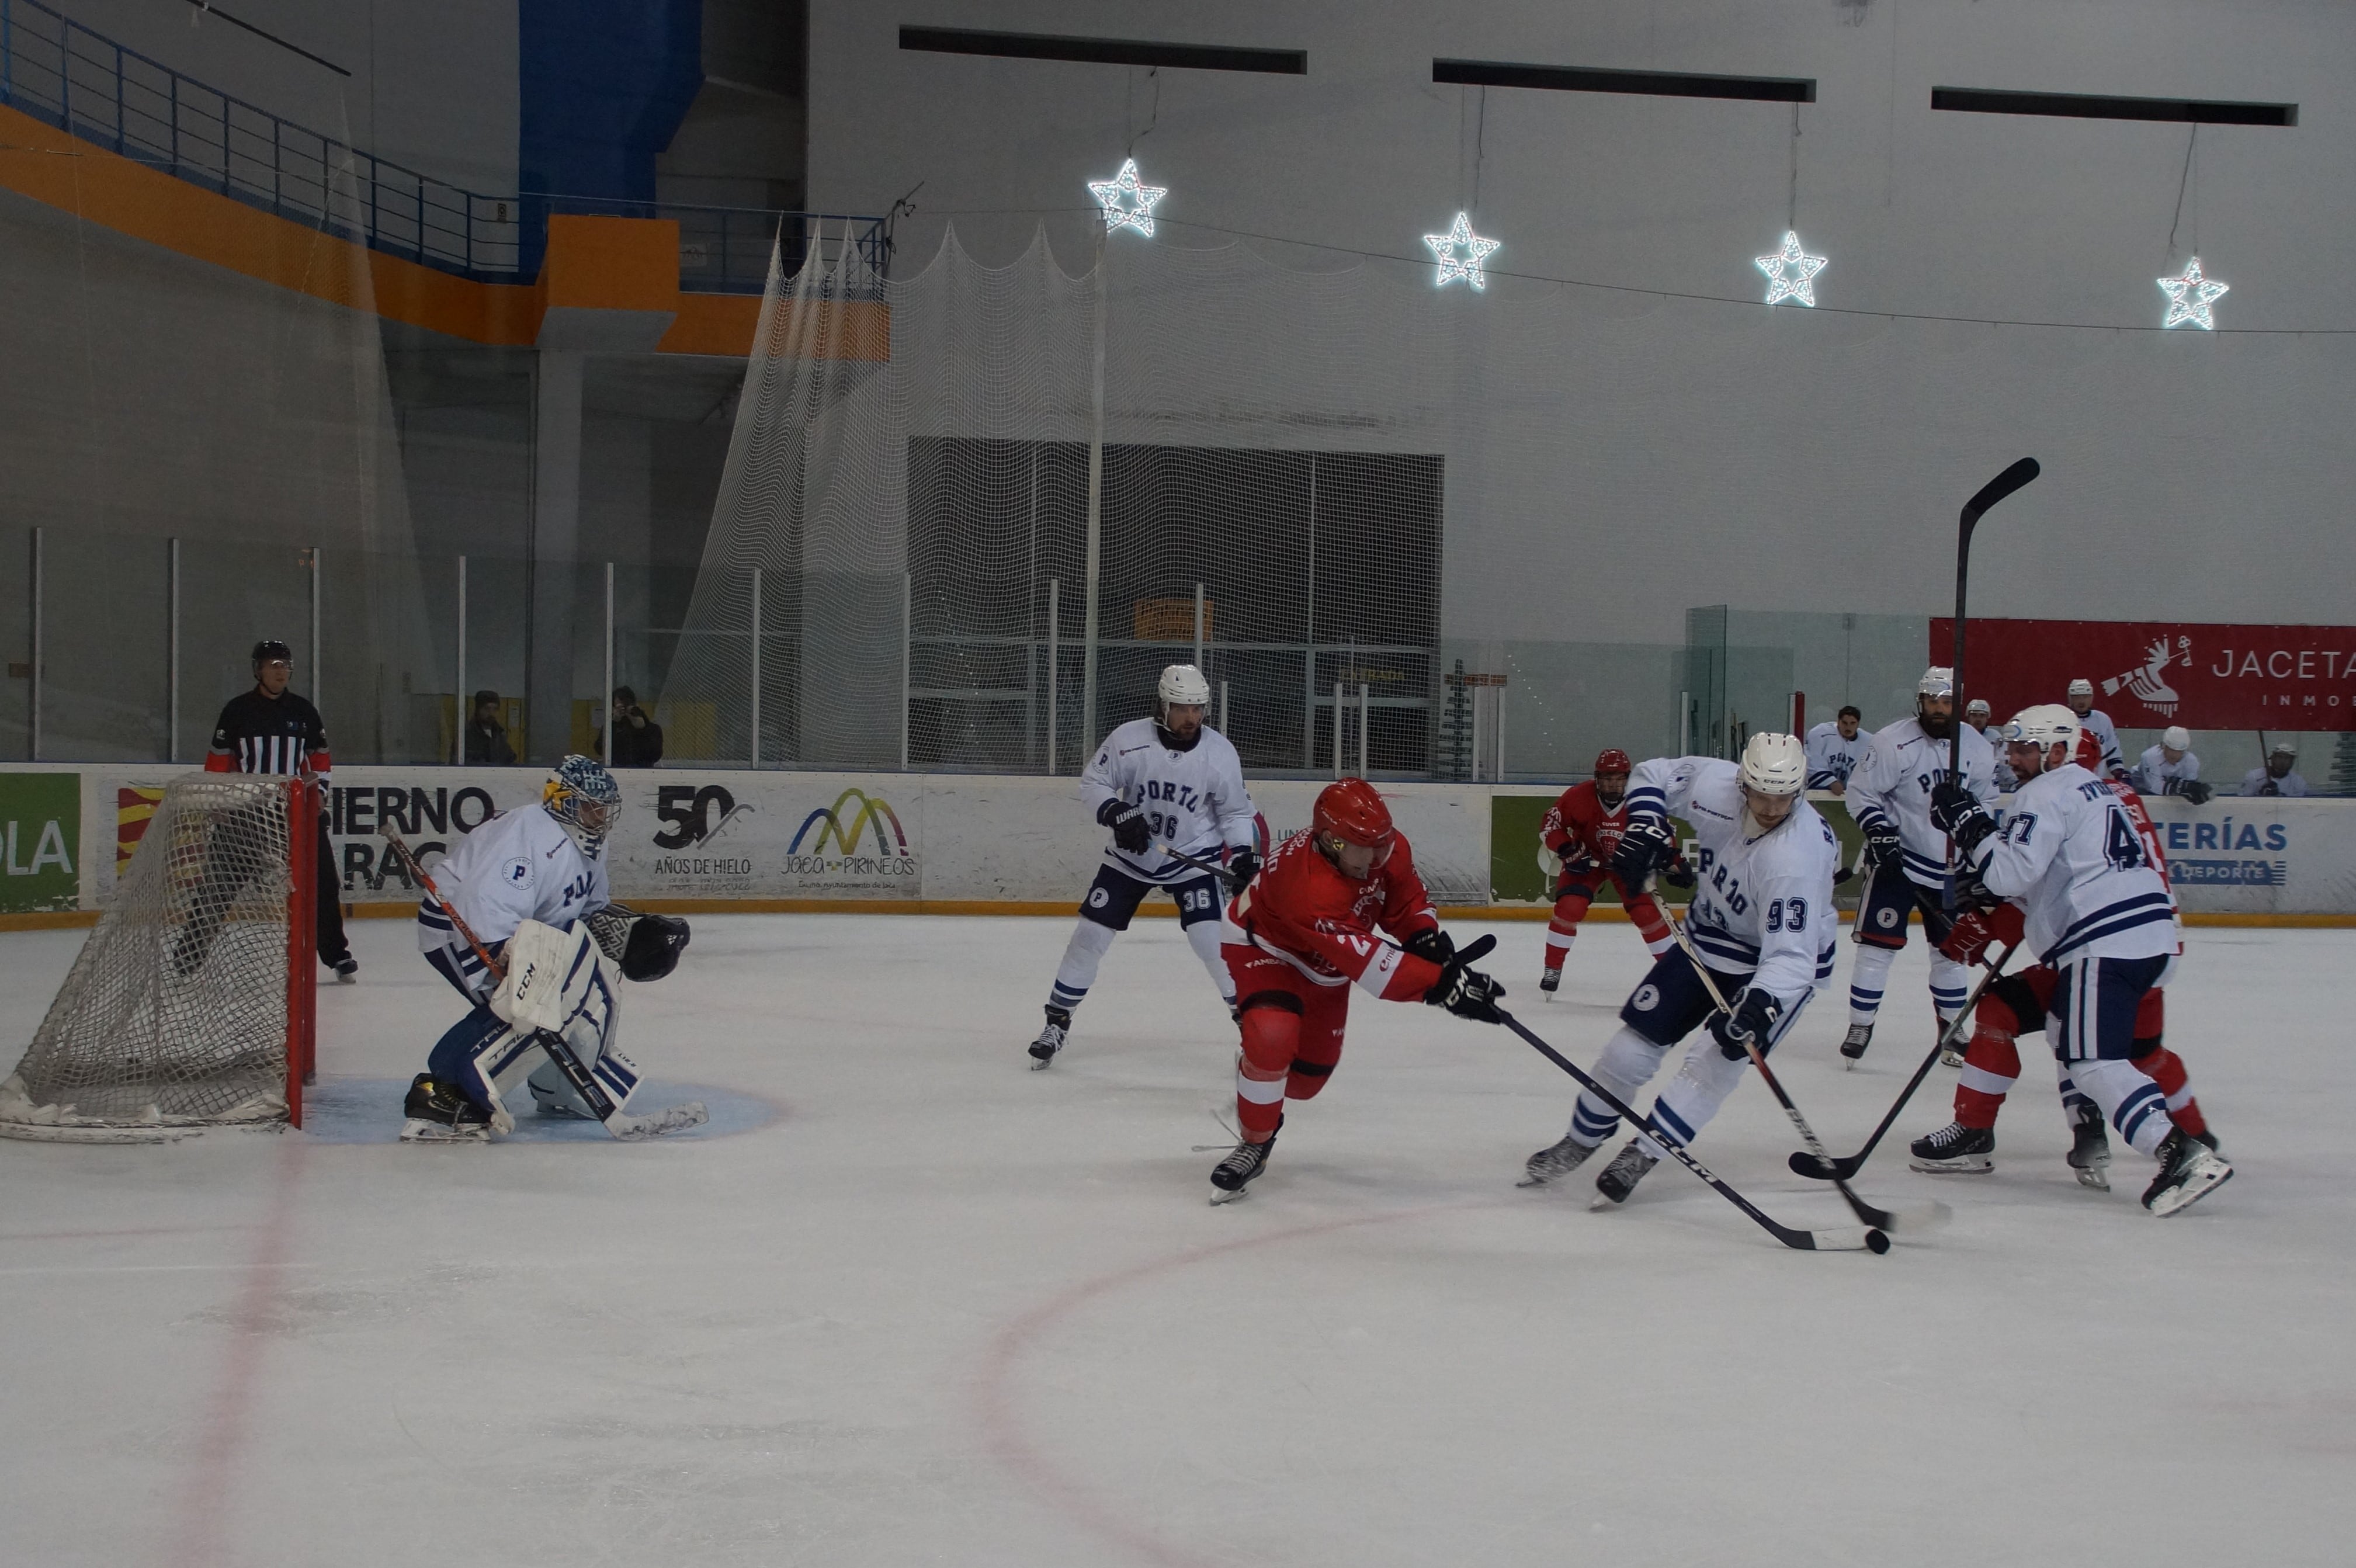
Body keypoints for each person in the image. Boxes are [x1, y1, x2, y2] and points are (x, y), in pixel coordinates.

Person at [1930, 706, 2232, 1215]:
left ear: (2057, 750)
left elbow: (2009, 874)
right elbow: (2048, 874)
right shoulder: (2098, 793)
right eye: (2011, 748)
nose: (2012, 758)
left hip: (2103, 943)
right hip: (2141, 939)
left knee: (2094, 1060)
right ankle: (2070, 1127)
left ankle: (2178, 1151)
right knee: (2054, 1027)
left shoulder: (2044, 793)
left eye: (2024, 749)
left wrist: (1968, 822)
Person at [1520, 733, 1838, 1203]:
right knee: (1627, 1053)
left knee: (1713, 1063)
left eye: (1783, 797)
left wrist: (1759, 1006)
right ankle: (1581, 1139)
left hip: (1775, 965)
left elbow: (1792, 955)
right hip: (1709, 937)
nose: (1771, 808)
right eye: (1761, 794)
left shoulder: (1795, 857)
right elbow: (1655, 774)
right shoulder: (1717, 787)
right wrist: (1646, 824)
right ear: (1742, 782)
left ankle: (1643, 1154)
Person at [1209, 778, 1504, 1199]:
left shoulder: (1382, 846)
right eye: (1366, 850)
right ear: (1330, 842)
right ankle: (1255, 1141)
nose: (1377, 859)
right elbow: (1373, 966)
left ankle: (1257, 1068)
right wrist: (1443, 987)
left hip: (1327, 961)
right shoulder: (1309, 889)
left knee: (1304, 1084)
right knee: (1272, 1035)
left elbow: (1404, 902)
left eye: (1383, 846)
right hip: (1266, 947)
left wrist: (1426, 939)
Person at [401, 755, 692, 1141]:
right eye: (591, 807)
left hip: (522, 931)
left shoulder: (589, 844)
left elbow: (588, 909)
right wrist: (506, 954)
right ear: (563, 801)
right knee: (517, 1009)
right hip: (462, 925)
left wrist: (627, 933)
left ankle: (559, 1089)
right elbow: (483, 902)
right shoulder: (531, 835)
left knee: (567, 993)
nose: (600, 816)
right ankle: (438, 1095)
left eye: (604, 808)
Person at [1028, 665, 1261, 1067]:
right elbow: (1093, 784)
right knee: (1088, 936)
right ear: (1162, 705)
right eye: (1182, 708)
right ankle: (1056, 1022)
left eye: (1198, 709)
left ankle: (1252, 1028)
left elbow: (1235, 811)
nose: (1191, 717)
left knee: (1212, 942)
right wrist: (1116, 810)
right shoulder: (1128, 740)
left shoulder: (1219, 752)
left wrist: (1241, 853)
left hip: (1194, 858)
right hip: (1129, 859)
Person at [1836, 667, 1996, 1065]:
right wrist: (1880, 831)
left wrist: (1976, 848)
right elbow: (1860, 793)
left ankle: (1951, 1025)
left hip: (1950, 869)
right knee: (1876, 949)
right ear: (1919, 702)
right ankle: (1861, 1023)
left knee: (1950, 955)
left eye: (1945, 702)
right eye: (1931, 702)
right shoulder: (1894, 741)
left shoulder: (1975, 748)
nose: (1938, 710)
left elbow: (1986, 802)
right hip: (1899, 862)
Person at [196, 638, 355, 981]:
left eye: (285, 665)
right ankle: (189, 956)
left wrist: (320, 796)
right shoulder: (237, 711)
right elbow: (219, 761)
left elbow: (320, 760)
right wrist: (219, 800)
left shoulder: (303, 711)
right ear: (258, 670)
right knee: (218, 886)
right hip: (246, 815)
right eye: (274, 665)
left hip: (297, 814)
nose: (281, 671)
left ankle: (337, 956)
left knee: (323, 885)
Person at [1535, 748, 1676, 997]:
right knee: (1570, 907)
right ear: (1597, 779)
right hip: (1586, 862)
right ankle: (1552, 968)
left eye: (1620, 779)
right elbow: (1550, 825)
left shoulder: (1642, 800)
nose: (1613, 785)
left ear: (1628, 778)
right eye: (1608, 779)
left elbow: (1662, 834)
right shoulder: (1578, 796)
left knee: (1647, 914)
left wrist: (1675, 861)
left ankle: (1672, 975)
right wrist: (1568, 849)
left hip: (1629, 866)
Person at [2064, 678, 2125, 777]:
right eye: (2077, 697)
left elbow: (2113, 748)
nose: (2081, 701)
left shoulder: (2103, 719)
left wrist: (2119, 772)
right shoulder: (2063, 718)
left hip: (2097, 778)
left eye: (2085, 697)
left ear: (2091, 698)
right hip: (2068, 778)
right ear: (2070, 698)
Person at [2131, 725, 2209, 802]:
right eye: (2171, 750)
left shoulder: (2192, 761)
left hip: (2167, 791)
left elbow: (2189, 786)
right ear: (2163, 746)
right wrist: (2183, 788)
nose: (2174, 755)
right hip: (2140, 789)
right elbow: (2154, 787)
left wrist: (2193, 791)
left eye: (2179, 751)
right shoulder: (2149, 757)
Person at [1804, 706, 1867, 794]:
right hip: (1818, 791)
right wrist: (1831, 782)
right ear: (1838, 721)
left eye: (1853, 723)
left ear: (1858, 723)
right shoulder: (1820, 734)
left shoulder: (1868, 741)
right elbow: (1812, 762)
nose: (1848, 727)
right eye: (1845, 723)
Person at [601, 686, 664, 768]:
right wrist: (613, 724)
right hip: (617, 769)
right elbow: (601, 749)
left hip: (644, 771)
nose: (624, 711)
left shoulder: (652, 729)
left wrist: (643, 729)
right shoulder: (611, 728)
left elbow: (655, 754)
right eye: (620, 708)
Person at [1966, 699, 2015, 792]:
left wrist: (2013, 781)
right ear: (1968, 717)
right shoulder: (1960, 735)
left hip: (1990, 784)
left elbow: (2003, 763)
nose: (1978, 719)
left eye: (1982, 716)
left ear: (1987, 718)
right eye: (1974, 715)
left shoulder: (1995, 737)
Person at [465, 690, 516, 766]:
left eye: (495, 709)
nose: (491, 713)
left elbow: (510, 758)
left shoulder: (499, 734)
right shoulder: (467, 734)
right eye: (487, 709)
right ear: (478, 710)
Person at [2241, 739, 2308, 797]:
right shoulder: (2253, 777)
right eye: (2280, 757)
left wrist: (2279, 796)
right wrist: (2260, 796)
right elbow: (2242, 801)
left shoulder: (2299, 782)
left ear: (2292, 762)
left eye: (2287, 758)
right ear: (2272, 758)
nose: (2283, 761)